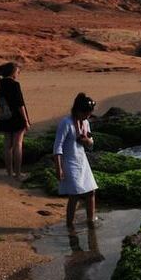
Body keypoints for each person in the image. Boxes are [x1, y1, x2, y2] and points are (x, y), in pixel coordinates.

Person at [53, 93, 98, 229]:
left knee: (91, 191)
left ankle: (91, 220)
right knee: (75, 195)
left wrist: (87, 141)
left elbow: (91, 143)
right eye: (86, 114)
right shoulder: (66, 123)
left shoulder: (85, 123)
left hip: (82, 161)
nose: (88, 117)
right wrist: (59, 168)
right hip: (69, 162)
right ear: (78, 110)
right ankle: (70, 225)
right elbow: (57, 146)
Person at [0, 62, 31, 181]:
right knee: (18, 144)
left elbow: (1, 82)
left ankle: (9, 172)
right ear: (13, 72)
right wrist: (26, 120)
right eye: (18, 71)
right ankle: (18, 174)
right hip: (16, 117)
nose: (18, 73)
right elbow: (20, 104)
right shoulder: (15, 84)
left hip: (4, 117)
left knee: (7, 145)